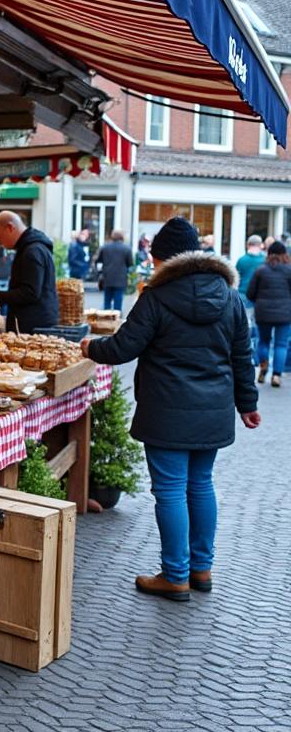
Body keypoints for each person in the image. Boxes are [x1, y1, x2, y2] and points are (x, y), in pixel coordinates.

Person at [83, 217, 259, 601]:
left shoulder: (157, 296)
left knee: (171, 491)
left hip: (166, 410)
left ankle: (175, 575)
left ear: (164, 258)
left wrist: (88, 347)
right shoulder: (230, 297)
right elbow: (242, 356)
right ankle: (202, 569)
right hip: (212, 410)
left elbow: (122, 348)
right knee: (200, 485)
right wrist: (248, 405)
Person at [0, 212, 58, 333]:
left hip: (33, 327)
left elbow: (30, 292)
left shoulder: (32, 251)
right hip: (34, 322)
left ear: (10, 228)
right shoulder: (30, 248)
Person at [246, 241, 291, 387]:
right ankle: (276, 375)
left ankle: (263, 367)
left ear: (269, 253)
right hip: (284, 313)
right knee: (281, 344)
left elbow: (250, 293)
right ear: (285, 254)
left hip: (263, 313)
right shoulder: (289, 270)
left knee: (263, 341)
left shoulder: (260, 270)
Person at [235, 235, 266, 364]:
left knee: (246, 326)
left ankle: (249, 355)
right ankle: (258, 358)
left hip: (244, 294)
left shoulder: (242, 260)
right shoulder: (265, 260)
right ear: (260, 244)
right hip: (260, 296)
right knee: (258, 326)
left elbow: (236, 278)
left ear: (248, 244)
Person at [94, 230, 133, 312]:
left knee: (107, 302)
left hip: (107, 278)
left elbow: (98, 261)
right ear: (122, 237)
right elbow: (130, 264)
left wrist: (99, 272)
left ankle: (106, 319)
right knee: (118, 304)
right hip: (120, 279)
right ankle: (116, 321)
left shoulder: (105, 247)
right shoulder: (127, 248)